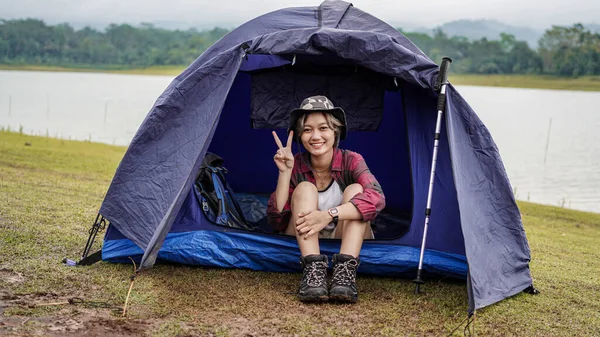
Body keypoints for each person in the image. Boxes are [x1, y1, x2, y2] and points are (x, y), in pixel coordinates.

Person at [267, 95, 385, 303]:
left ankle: (344, 276)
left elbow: (376, 198)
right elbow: (277, 220)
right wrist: (285, 173)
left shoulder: (352, 160)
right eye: (307, 130)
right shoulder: (296, 163)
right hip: (306, 235)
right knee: (304, 188)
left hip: (345, 233)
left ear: (335, 131)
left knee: (357, 190)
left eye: (323, 128)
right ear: (300, 137)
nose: (315, 136)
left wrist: (328, 215)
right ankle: (313, 274)